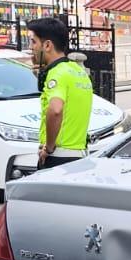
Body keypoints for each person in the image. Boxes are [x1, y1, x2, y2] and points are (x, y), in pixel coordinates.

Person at [27, 16, 94, 169]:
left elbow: (56, 110)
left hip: (58, 157)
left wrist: (49, 148)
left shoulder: (57, 74)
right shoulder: (77, 71)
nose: (31, 47)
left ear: (47, 45)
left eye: (33, 41)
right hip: (78, 154)